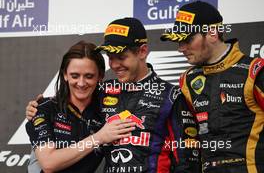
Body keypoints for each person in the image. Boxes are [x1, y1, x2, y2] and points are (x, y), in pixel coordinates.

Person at [26, 18, 200, 172]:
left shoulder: (171, 96)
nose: (115, 65)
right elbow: (71, 101)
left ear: (142, 51)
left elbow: (186, 159)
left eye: (122, 57)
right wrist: (37, 108)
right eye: (111, 57)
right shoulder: (103, 91)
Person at [161, 1, 264, 173]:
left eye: (187, 40)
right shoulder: (187, 80)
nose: (181, 48)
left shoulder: (254, 72)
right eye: (179, 42)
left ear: (213, 34)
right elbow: (188, 140)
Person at [25, 41, 136, 173]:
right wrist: (99, 137)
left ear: (100, 76)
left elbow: (143, 85)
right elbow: (48, 164)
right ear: (65, 75)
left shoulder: (109, 108)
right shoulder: (43, 108)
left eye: (89, 76)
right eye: (75, 76)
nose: (81, 83)